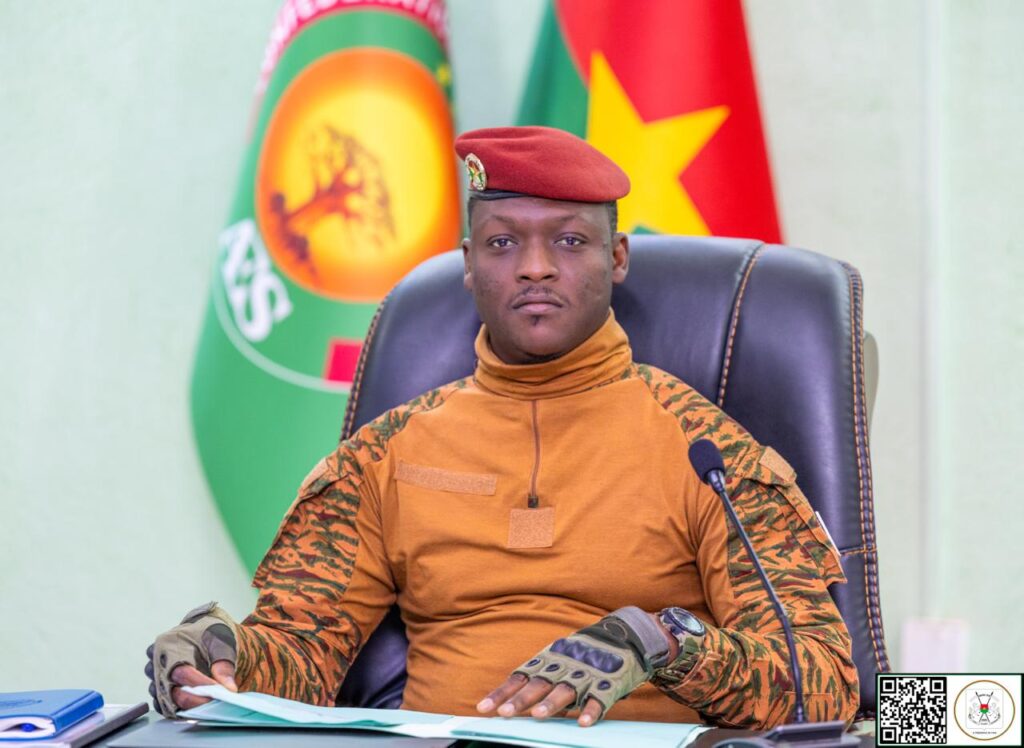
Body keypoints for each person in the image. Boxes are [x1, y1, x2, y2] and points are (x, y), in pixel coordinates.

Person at [147, 126, 859, 729]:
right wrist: (223, 658)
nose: (535, 268)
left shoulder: (708, 452)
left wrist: (664, 642)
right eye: (502, 244)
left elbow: (823, 684)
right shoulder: (384, 456)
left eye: (571, 241)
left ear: (616, 258)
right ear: (468, 264)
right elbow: (300, 654)